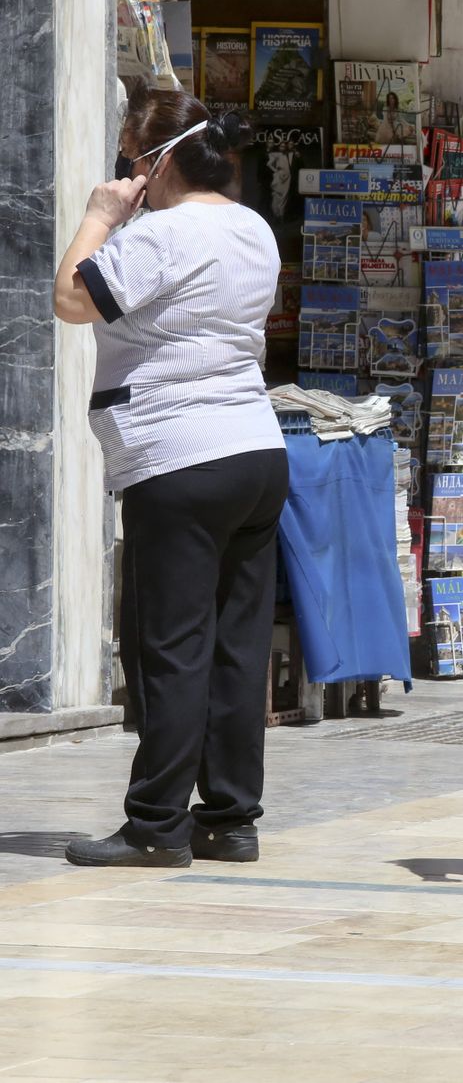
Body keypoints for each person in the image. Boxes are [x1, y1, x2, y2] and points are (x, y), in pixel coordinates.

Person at [52, 84, 287, 867]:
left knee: (170, 646)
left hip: (179, 455)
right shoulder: (252, 228)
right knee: (235, 644)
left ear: (158, 160)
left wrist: (99, 214)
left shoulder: (159, 234)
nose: (125, 169)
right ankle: (229, 815)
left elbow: (71, 298)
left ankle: (156, 824)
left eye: (130, 155)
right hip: (255, 449)